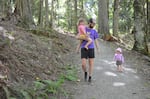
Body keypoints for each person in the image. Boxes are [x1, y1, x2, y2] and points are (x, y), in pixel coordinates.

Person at [76, 18, 99, 82]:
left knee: (91, 63)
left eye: (95, 24)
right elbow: (78, 38)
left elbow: (96, 41)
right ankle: (85, 72)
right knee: (83, 64)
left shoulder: (94, 31)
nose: (94, 25)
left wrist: (98, 49)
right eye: (93, 23)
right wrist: (78, 48)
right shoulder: (84, 28)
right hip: (84, 48)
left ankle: (90, 77)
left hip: (91, 48)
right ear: (89, 23)